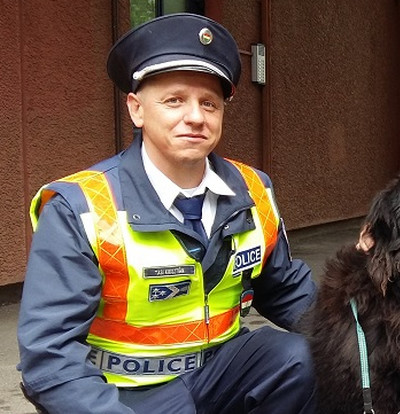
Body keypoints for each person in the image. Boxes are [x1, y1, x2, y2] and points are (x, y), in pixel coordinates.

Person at [17, 13, 317, 414]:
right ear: (137, 110)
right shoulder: (82, 206)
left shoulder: (252, 188)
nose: (195, 116)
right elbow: (49, 355)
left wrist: (373, 338)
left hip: (221, 372)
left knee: (305, 358)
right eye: (175, 100)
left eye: (209, 103)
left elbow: (283, 289)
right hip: (126, 392)